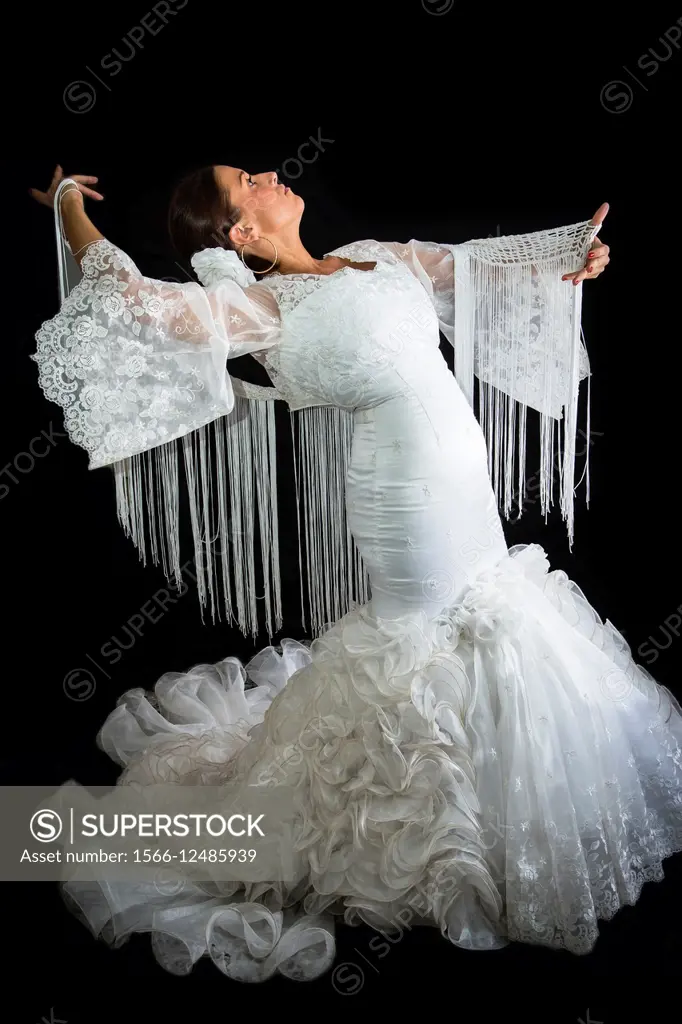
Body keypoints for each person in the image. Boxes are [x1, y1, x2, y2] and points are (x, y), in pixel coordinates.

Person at [30, 165, 682, 983]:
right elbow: (134, 302)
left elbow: (476, 270)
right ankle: (426, 837)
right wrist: (65, 209)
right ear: (240, 234)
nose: (269, 172)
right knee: (437, 637)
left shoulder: (374, 255)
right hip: (403, 498)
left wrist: (572, 262)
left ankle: (499, 810)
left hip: (461, 482)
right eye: (248, 179)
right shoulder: (259, 310)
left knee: (492, 610)